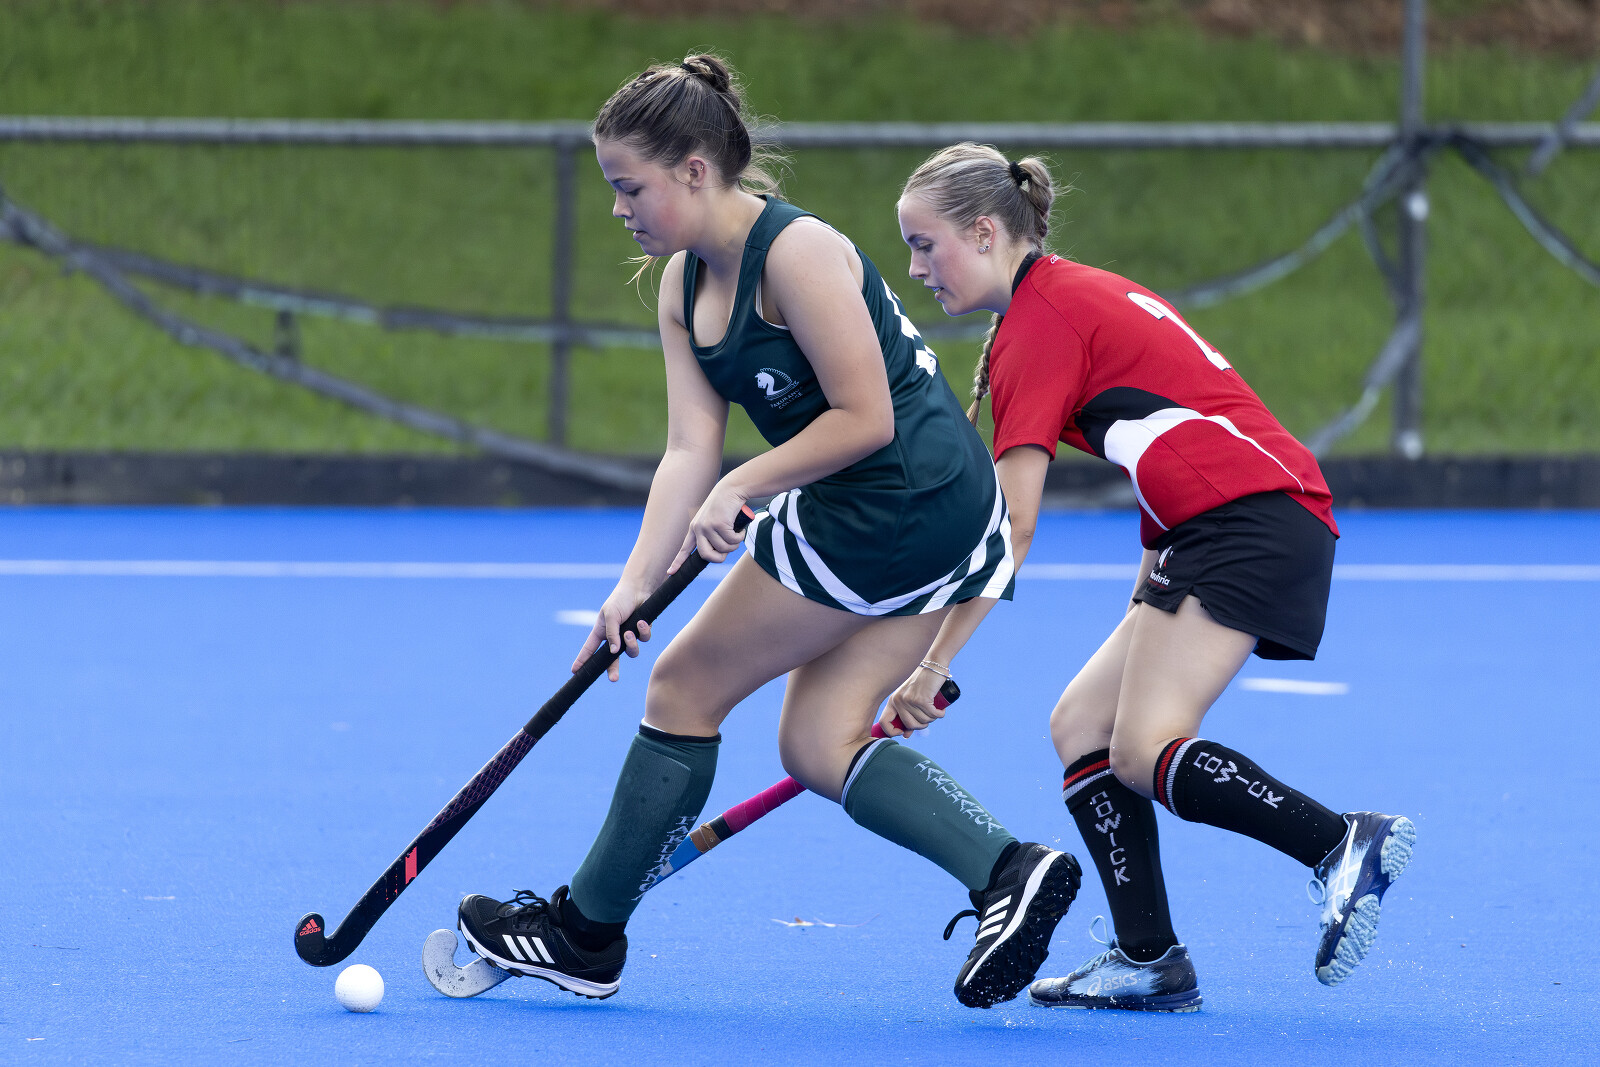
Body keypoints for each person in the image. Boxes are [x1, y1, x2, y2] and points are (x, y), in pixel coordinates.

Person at [455, 59, 1080, 1009]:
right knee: (817, 741)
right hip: (908, 506)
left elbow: (866, 417)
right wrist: (633, 586)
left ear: (695, 170)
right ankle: (1010, 869)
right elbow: (687, 451)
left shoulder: (798, 253)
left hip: (895, 499)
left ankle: (585, 933)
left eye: (631, 187)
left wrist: (746, 484)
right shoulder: (681, 286)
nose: (618, 208)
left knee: (684, 685)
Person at [885, 143, 1415, 1012]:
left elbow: (1012, 525)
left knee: (1144, 746)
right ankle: (1150, 959)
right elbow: (1166, 432)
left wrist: (932, 663)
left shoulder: (1038, 326)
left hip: (1246, 520)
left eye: (923, 245)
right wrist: (1148, 586)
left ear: (982, 232)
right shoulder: (1064, 294)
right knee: (1082, 726)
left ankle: (1339, 841)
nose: (915, 269)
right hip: (1220, 518)